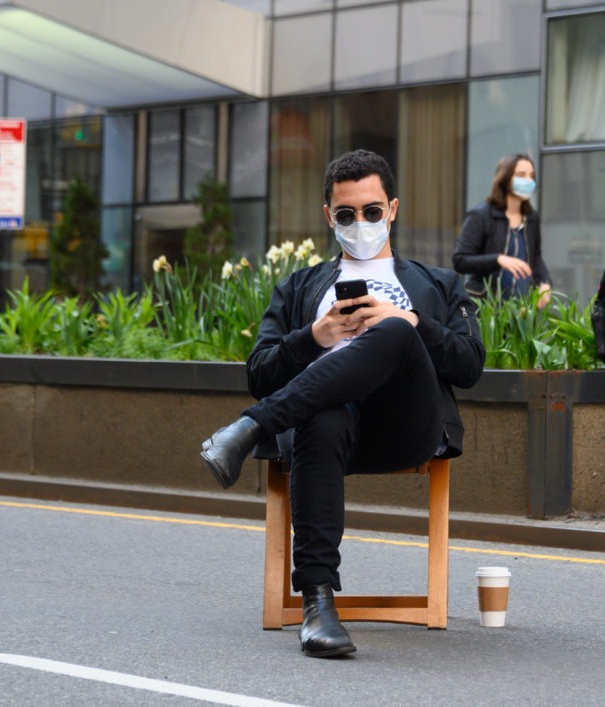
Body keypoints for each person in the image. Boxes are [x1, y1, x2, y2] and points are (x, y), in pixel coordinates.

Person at [200, 149, 485, 658]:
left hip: (404, 424)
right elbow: (258, 371)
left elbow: (469, 366)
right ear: (329, 215)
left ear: (392, 209)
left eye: (372, 211)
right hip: (326, 433)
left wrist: (412, 322)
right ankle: (317, 604)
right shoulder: (299, 286)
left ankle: (248, 429)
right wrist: (314, 335)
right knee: (323, 413)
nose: (361, 223)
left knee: (395, 329)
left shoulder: (437, 283)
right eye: (348, 214)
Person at [453, 153, 552, 308]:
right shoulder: (481, 215)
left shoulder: (531, 218)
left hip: (521, 310)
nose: (528, 181)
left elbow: (536, 257)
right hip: (486, 310)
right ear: (505, 179)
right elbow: (460, 260)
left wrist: (545, 283)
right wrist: (498, 260)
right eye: (521, 175)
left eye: (531, 176)